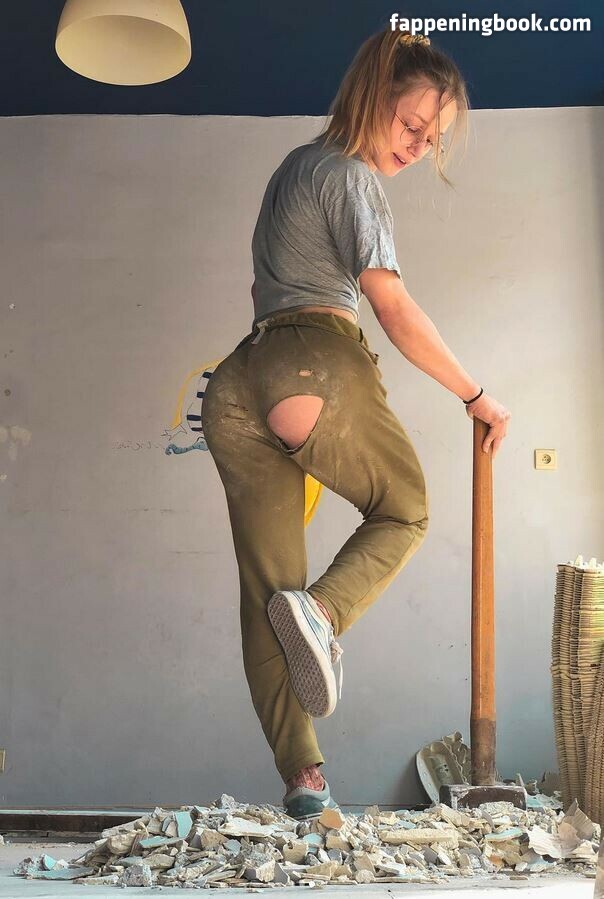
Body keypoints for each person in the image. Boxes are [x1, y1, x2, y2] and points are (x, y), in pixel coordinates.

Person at [202, 28, 511, 820]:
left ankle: (304, 778)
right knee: (405, 509)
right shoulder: (350, 175)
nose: (417, 146)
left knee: (267, 593)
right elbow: (392, 306)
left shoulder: (293, 169)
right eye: (412, 124)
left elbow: (263, 291)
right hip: (312, 365)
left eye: (432, 139)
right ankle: (325, 612)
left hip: (238, 387)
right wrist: (476, 395)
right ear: (374, 98)